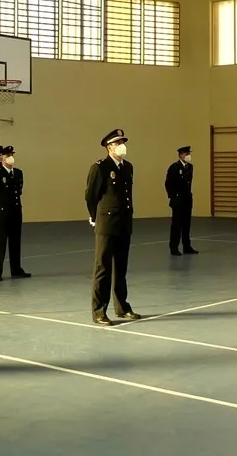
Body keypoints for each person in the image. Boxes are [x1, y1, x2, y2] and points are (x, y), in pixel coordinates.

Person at [85, 129, 141, 326]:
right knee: (103, 268)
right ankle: (99, 311)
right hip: (107, 224)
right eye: (117, 143)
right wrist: (94, 217)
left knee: (121, 268)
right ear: (109, 147)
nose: (122, 146)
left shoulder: (128, 167)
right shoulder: (100, 167)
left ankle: (122, 307)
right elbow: (90, 196)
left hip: (124, 223)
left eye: (123, 142)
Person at [0, 145, 31, 281]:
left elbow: (18, 191)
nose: (11, 158)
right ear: (2, 159)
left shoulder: (18, 173)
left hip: (16, 212)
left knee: (15, 242)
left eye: (12, 155)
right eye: (7, 155)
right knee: (0, 242)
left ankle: (16, 269)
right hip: (3, 214)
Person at [165, 146, 198, 256]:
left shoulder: (190, 167)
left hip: (187, 200)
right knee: (176, 225)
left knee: (186, 224)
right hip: (178, 200)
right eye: (185, 153)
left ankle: (187, 247)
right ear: (180, 155)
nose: (188, 155)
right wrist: (174, 197)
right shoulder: (174, 167)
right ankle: (174, 247)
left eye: (188, 153)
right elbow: (168, 184)